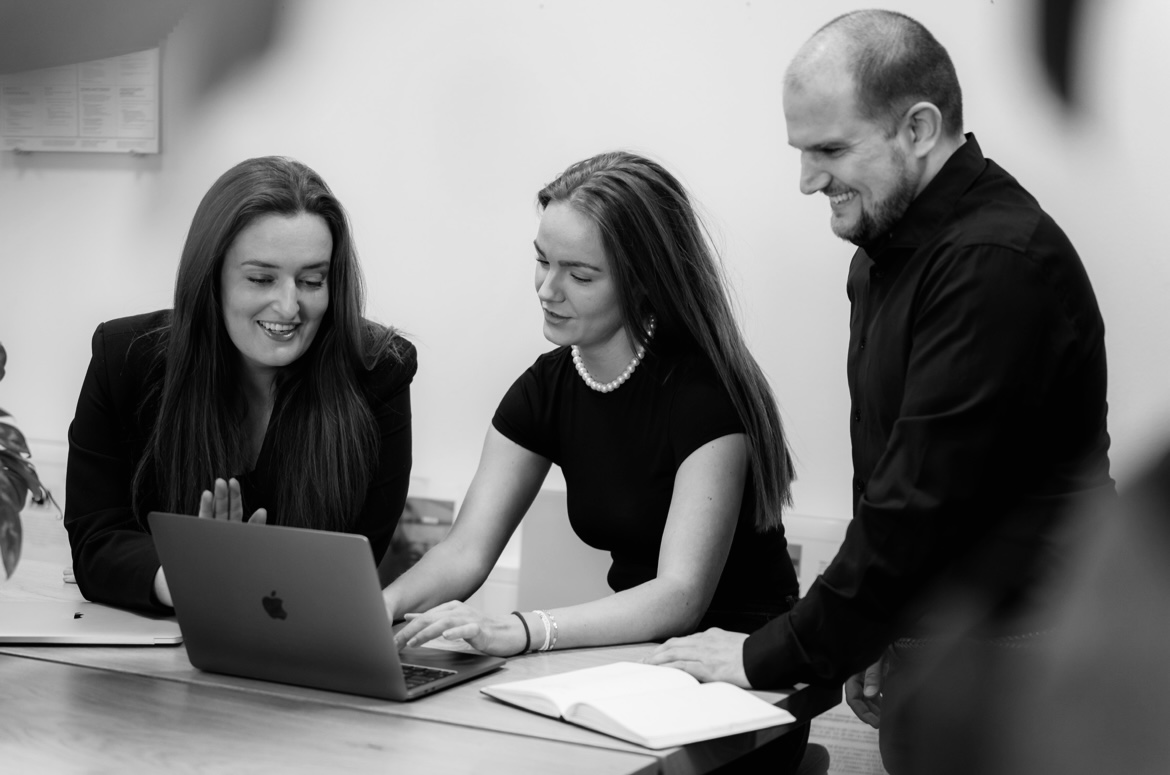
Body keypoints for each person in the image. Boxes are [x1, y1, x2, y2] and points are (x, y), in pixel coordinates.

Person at [648, 10, 1114, 775]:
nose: (807, 180)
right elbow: (889, 474)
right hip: (940, 650)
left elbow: (918, 502)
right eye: (801, 151)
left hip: (1024, 663)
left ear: (920, 128)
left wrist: (775, 650)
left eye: (830, 149)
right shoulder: (881, 255)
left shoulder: (993, 262)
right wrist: (871, 628)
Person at [386, 150, 807, 770]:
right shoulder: (549, 386)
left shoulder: (702, 396)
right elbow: (465, 552)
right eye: (541, 261)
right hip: (639, 663)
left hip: (743, 676)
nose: (547, 289)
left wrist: (523, 628)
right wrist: (377, 609)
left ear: (642, 281)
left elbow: (679, 595)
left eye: (579, 275)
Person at [64, 156, 416, 612]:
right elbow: (97, 538)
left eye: (312, 280)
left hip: (298, 651)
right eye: (260, 278)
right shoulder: (125, 357)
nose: (289, 307)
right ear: (212, 278)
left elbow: (353, 559)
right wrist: (186, 575)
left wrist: (249, 573)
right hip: (158, 646)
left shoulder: (378, 372)